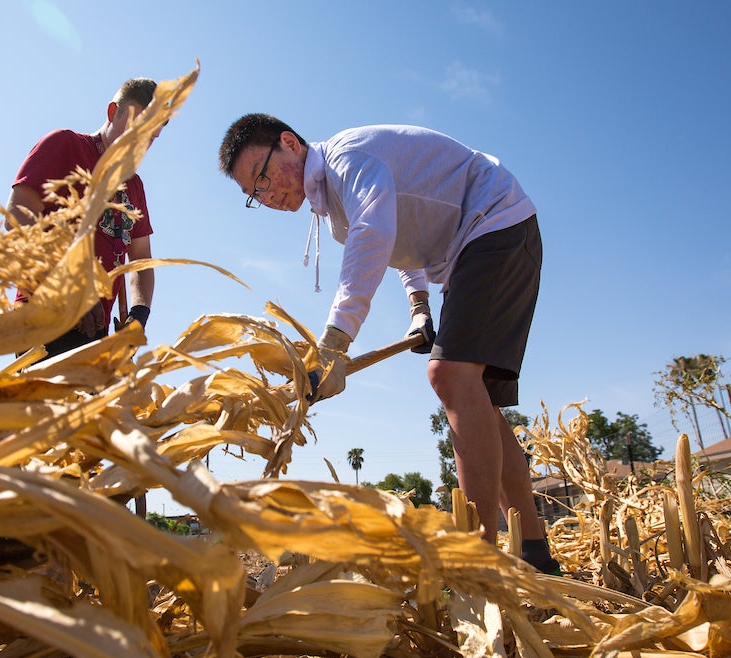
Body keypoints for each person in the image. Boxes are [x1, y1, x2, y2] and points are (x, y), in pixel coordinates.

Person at [217, 114, 560, 574]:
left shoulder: (346, 158)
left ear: (290, 143)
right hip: (472, 251)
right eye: (253, 196)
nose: (266, 195)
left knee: (450, 376)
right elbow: (399, 239)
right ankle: (536, 555)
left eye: (262, 176)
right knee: (481, 409)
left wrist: (335, 344)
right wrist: (419, 305)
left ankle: (477, 564)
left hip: (494, 222)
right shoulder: (335, 206)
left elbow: (375, 231)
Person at [6, 77, 159, 358]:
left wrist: (137, 317)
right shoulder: (64, 145)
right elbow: (18, 218)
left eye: (152, 136)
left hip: (95, 331)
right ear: (113, 112)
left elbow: (140, 261)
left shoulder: (134, 186)